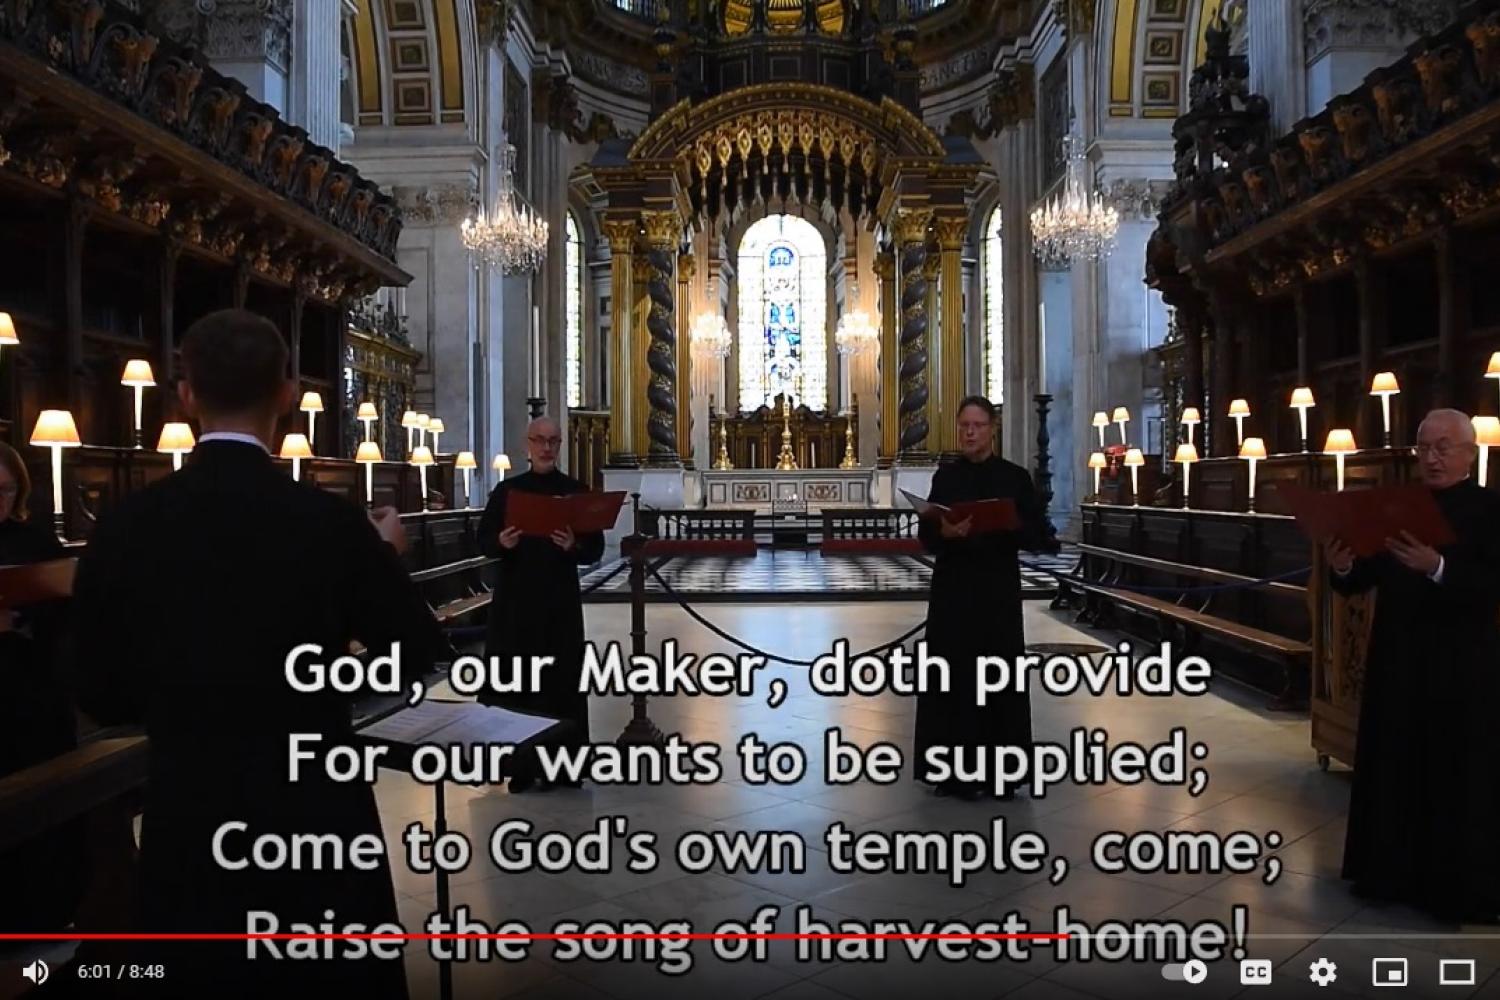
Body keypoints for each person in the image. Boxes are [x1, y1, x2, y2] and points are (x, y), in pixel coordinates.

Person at [70, 310, 448, 995]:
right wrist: (384, 564)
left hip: (193, 804)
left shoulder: (128, 525)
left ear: (185, 393)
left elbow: (99, 691)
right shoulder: (330, 523)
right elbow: (417, 650)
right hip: (315, 806)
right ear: (285, 393)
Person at [1325, 408, 1500, 921]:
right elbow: (1367, 574)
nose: (1432, 457)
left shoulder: (1491, 509)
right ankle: (1388, 873)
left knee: (1454, 771)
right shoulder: (1399, 504)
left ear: (1469, 452)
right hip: (1398, 657)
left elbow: (1491, 584)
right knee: (1396, 761)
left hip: (1461, 664)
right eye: (1424, 447)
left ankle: (1450, 887)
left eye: (1444, 447)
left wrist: (1439, 567)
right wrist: (1344, 568)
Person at [915, 395, 1045, 800]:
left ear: (993, 429)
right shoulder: (946, 477)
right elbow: (926, 536)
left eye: (977, 426)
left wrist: (1009, 523)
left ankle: (1001, 773)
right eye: (964, 426)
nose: (969, 433)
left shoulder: (1016, 477)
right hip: (953, 590)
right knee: (950, 676)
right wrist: (942, 532)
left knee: (996, 675)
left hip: (996, 591)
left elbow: (1038, 534)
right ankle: (952, 772)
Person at [476, 415, 605, 791]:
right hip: (515, 605)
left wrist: (574, 546)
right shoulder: (507, 492)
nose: (547, 447)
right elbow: (483, 541)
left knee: (560, 683)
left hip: (559, 606)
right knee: (518, 685)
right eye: (540, 440)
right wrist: (503, 541)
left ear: (560, 445)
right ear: (527, 445)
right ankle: (522, 766)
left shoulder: (575, 491)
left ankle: (563, 767)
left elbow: (594, 547)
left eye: (554, 441)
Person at [0, 441, 87, 934]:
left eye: (8, 489)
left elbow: (68, 622)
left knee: (42, 810)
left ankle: (46, 913)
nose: (1, 498)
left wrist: (22, 622)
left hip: (30, 696)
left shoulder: (36, 544)